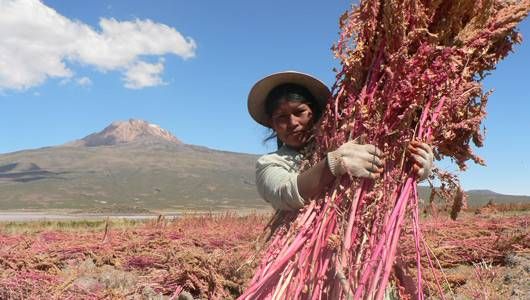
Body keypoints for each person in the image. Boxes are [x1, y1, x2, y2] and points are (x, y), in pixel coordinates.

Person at [247, 71, 434, 211]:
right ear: (272, 124)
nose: (293, 123)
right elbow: (285, 192)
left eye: (299, 112)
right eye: (281, 118)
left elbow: (381, 174)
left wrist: (412, 169)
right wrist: (334, 163)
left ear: (314, 113)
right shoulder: (270, 164)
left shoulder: (346, 141)